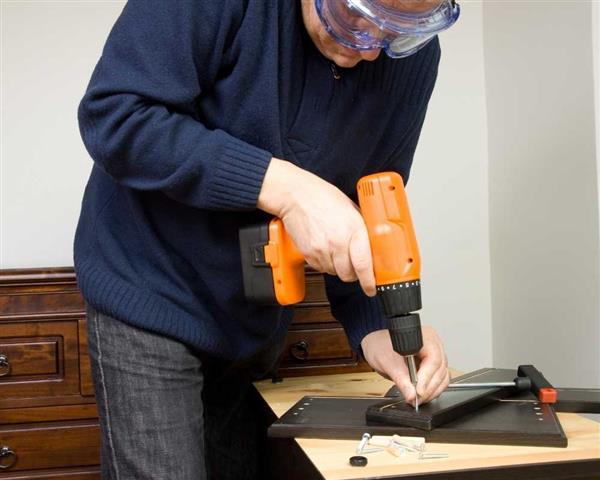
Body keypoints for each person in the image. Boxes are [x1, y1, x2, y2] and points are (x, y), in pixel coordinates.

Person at [75, 0, 460, 478]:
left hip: (254, 317)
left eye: (396, 34)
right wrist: (287, 189)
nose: (370, 51)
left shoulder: (412, 59)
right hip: (150, 287)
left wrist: (376, 326)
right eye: (354, 18)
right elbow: (116, 117)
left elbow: (368, 204)